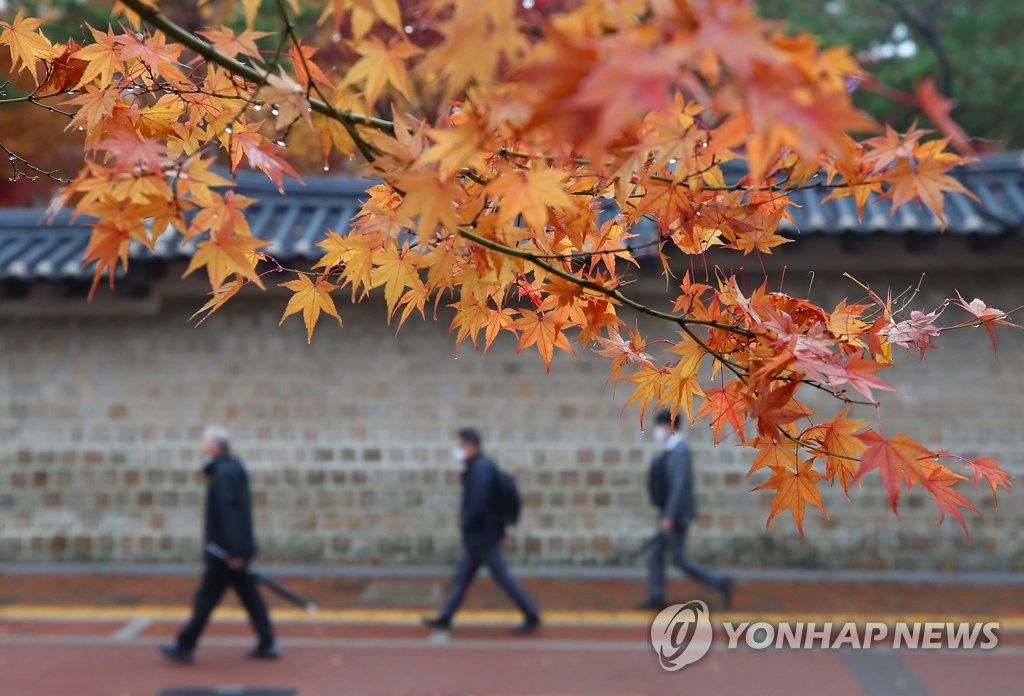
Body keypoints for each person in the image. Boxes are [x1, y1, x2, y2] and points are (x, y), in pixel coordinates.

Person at [159, 425, 279, 663]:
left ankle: (185, 645)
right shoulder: (230, 468)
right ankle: (267, 642)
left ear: (214, 445)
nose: (202, 446)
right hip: (232, 549)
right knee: (250, 597)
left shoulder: (224, 473)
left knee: (206, 599)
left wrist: (234, 552)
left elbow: (229, 513)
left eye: (205, 442)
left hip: (224, 552)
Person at [423, 428, 541, 634]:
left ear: (471, 446)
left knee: (501, 577)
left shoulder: (480, 469)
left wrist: (467, 522)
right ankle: (446, 615)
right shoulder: (477, 467)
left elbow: (478, 503)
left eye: (460, 446)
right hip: (479, 535)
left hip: (482, 536)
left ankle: (531, 613)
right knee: (462, 576)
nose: (458, 450)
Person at [637, 409, 734, 610]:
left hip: (676, 515)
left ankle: (720, 582)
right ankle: (656, 595)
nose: (657, 431)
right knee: (657, 554)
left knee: (679, 560)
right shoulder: (672, 450)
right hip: (670, 513)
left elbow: (679, 486)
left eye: (659, 426)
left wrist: (669, 517)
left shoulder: (679, 452)